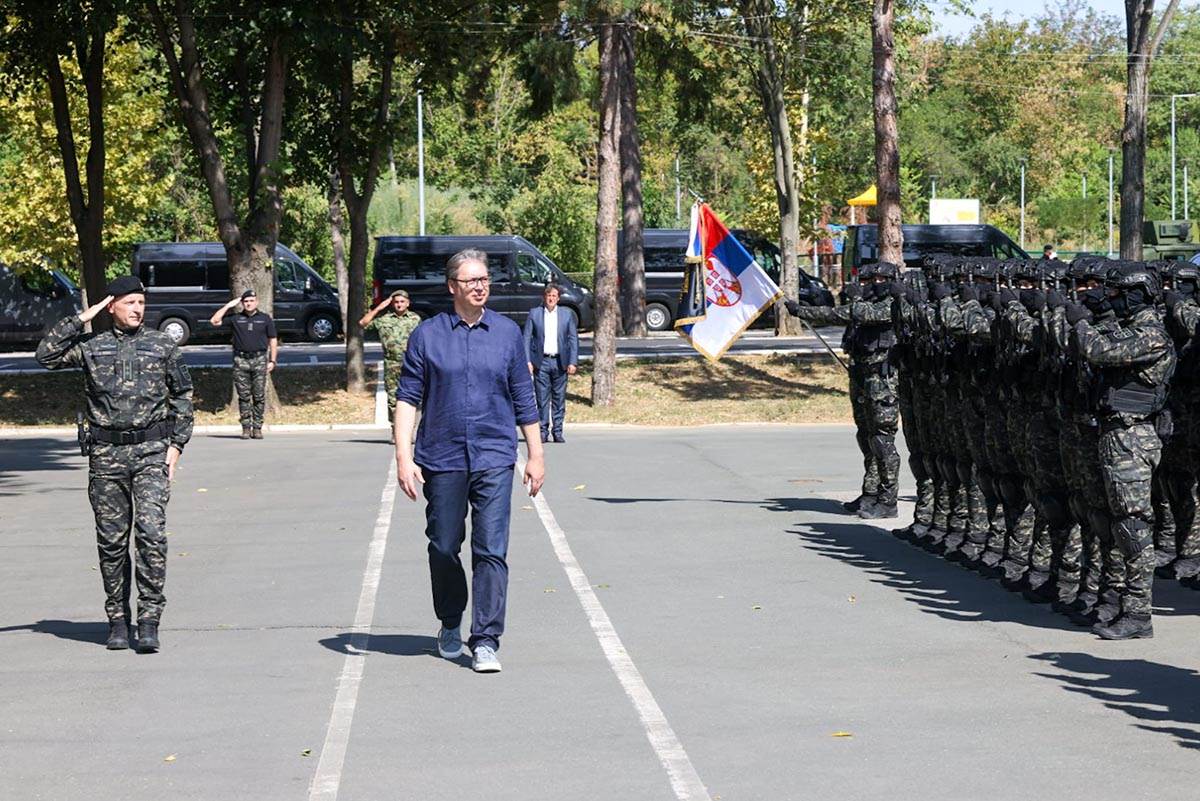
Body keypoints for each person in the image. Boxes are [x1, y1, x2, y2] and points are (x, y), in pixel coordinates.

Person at [394, 248, 544, 673]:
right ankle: (449, 620)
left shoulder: (507, 334)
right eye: (471, 280)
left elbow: (523, 396)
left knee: (491, 548)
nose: (480, 286)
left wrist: (535, 453)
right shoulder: (427, 335)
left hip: (495, 454)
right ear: (452, 287)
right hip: (441, 457)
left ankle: (485, 639)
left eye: (484, 280)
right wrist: (404, 457)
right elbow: (408, 398)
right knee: (443, 546)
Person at [36, 276, 194, 653]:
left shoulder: (162, 345)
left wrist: (177, 446)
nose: (137, 309)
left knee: (152, 534)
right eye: (129, 302)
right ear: (112, 307)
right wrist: (82, 317)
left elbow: (183, 395)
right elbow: (46, 355)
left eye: (141, 302)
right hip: (106, 456)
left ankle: (150, 619)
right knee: (111, 542)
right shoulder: (93, 346)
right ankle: (118, 621)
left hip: (151, 452)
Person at [1067, 262, 1175, 639]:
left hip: (1133, 438)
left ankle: (1139, 613)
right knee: (1112, 525)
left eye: (1117, 293)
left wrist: (1080, 322)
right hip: (1115, 435)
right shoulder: (1130, 329)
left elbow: (1099, 352)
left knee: (1133, 526)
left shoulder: (1152, 335)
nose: (1110, 298)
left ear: (1138, 294)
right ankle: (1114, 600)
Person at [210, 289, 277, 439]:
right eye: (246, 301)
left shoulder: (265, 319)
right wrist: (228, 306)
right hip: (241, 361)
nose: (249, 304)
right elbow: (214, 321)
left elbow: (273, 340)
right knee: (244, 396)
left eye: (251, 301)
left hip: (260, 360)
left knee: (259, 396)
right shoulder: (235, 318)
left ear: (256, 302)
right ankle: (246, 427)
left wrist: (272, 360)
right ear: (242, 303)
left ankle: (257, 427)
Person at [523, 283, 579, 443]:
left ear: (558, 298)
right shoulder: (535, 314)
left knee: (559, 398)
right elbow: (526, 337)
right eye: (549, 296)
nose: (551, 299)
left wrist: (573, 361)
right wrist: (527, 360)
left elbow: (573, 339)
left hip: (560, 361)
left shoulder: (566, 315)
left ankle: (558, 431)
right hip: (541, 362)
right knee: (541, 399)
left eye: (554, 296)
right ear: (544, 297)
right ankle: (542, 431)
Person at [360, 289, 422, 431]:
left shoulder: (415, 319)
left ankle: (408, 430)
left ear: (408, 303)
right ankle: (396, 430)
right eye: (396, 302)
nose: (399, 305)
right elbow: (363, 323)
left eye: (402, 302)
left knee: (412, 397)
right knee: (393, 399)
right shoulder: (384, 320)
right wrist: (380, 307)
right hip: (392, 364)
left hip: (411, 364)